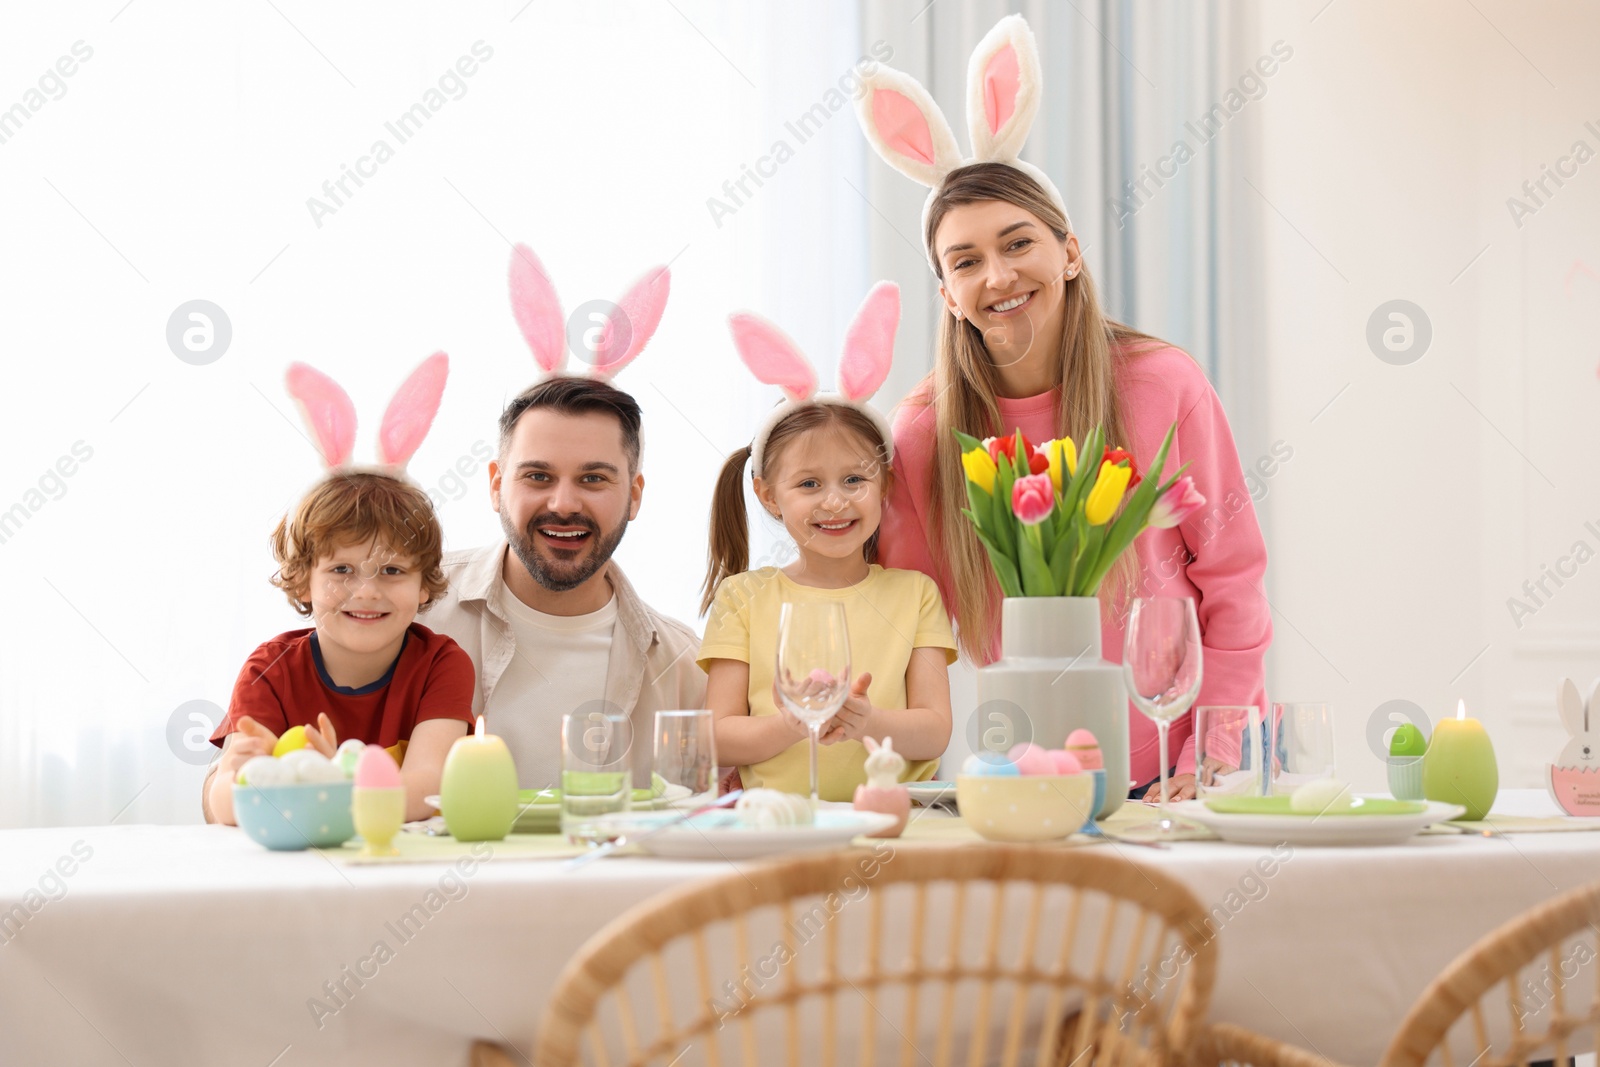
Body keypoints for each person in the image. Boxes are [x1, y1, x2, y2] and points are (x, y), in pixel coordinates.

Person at [854, 14, 1271, 801]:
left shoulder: (1162, 383)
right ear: (946, 293)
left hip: (1180, 784)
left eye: (1018, 244)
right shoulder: (922, 432)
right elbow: (911, 626)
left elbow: (1235, 582)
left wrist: (1213, 759)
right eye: (966, 260)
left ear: (1069, 251)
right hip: (1021, 780)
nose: (999, 275)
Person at [699, 282, 956, 801]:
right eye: (809, 484)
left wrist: (865, 720)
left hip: (894, 825)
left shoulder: (916, 594)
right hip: (777, 826)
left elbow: (934, 729)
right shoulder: (742, 598)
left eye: (854, 481)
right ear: (769, 496)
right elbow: (716, 738)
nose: (834, 502)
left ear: (884, 486)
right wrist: (796, 721)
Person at [204, 471, 475, 826]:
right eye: (342, 569)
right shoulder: (269, 668)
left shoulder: (442, 664)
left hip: (401, 871)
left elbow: (425, 790)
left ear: (423, 585)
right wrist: (241, 779)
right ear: (303, 581)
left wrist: (321, 786)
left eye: (391, 570)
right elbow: (223, 802)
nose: (366, 592)